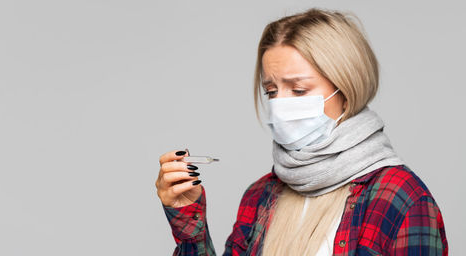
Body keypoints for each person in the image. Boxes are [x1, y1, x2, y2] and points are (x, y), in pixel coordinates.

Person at [155, 7, 448, 256]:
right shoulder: (261, 195)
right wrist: (189, 220)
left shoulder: (402, 198)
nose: (280, 104)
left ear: (347, 89)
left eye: (298, 89)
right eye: (271, 91)